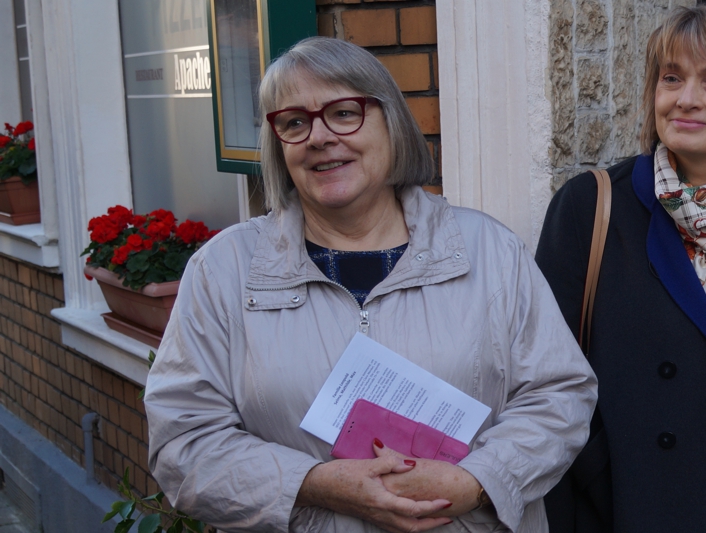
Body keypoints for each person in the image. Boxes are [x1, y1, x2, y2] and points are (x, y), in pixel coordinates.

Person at [145, 36, 597, 533]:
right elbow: (183, 444)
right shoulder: (223, 270)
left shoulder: (488, 250)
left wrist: (478, 481)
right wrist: (313, 483)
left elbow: (560, 395)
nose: (319, 137)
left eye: (343, 113)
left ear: (392, 123)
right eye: (294, 122)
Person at [536, 5, 706, 533]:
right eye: (671, 78)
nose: (686, 99)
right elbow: (545, 378)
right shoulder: (590, 207)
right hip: (627, 509)